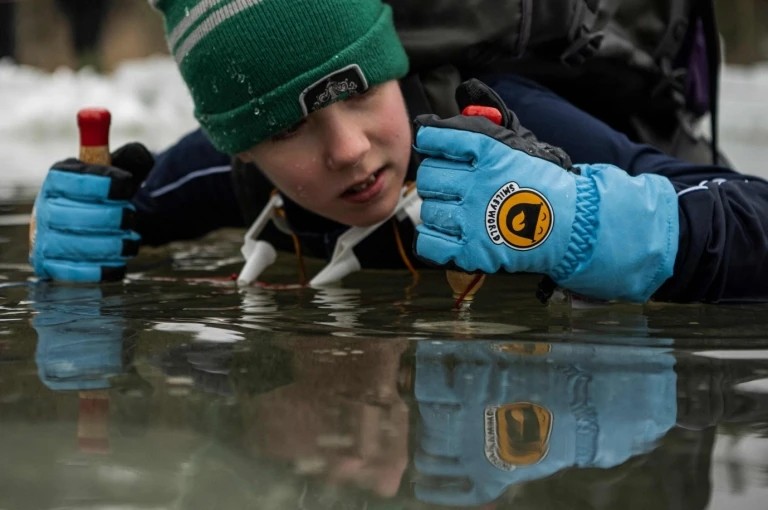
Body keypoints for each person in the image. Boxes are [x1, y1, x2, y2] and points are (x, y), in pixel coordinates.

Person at [28, 0, 768, 303]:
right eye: (286, 128)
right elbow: (123, 214)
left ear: (391, 65)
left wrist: (579, 222)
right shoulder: (237, 167)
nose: (347, 149)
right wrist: (65, 225)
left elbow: (753, 216)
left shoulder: (497, 114)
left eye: (357, 91)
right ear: (242, 147)